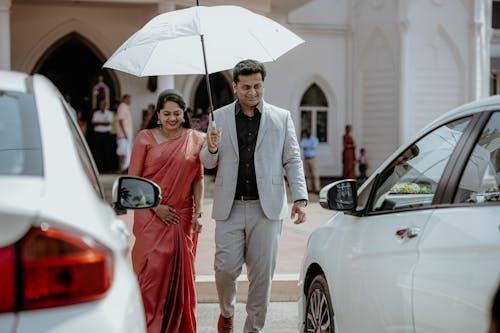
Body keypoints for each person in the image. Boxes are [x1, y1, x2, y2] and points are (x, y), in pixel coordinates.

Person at [200, 59, 308, 333]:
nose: (252, 92)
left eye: (257, 86)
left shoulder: (280, 117)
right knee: (224, 269)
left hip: (267, 208)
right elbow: (207, 163)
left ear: (263, 84)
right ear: (235, 86)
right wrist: (211, 147)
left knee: (262, 279)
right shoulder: (219, 117)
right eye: (245, 86)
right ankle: (227, 312)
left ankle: (254, 329)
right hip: (230, 207)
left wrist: (300, 197)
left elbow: (293, 158)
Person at [128, 89, 204, 333]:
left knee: (179, 277)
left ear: (184, 115)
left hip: (182, 216)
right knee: (151, 275)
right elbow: (133, 180)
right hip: (149, 213)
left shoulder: (196, 139)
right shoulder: (144, 138)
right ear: (158, 115)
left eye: (177, 113)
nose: (172, 118)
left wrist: (199, 213)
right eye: (167, 113)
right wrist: (155, 206)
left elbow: (198, 179)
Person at [90, 99, 114, 173]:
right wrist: (103, 122)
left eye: (103, 104)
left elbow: (108, 123)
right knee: (98, 152)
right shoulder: (96, 113)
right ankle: (98, 169)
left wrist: (99, 122)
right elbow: (93, 123)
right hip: (98, 134)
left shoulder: (109, 113)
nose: (102, 106)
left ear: (105, 105)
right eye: (100, 104)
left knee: (106, 151)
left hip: (106, 134)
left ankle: (107, 169)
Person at [116, 94, 134, 173]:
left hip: (127, 134)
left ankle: (125, 168)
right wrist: (125, 133)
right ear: (125, 99)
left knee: (127, 152)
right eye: (129, 99)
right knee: (122, 151)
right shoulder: (122, 107)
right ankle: (121, 168)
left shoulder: (126, 108)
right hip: (123, 135)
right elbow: (120, 120)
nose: (130, 101)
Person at [300, 129, 321, 193]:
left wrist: (307, 146)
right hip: (306, 158)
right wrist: (309, 146)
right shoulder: (304, 139)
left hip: (312, 158)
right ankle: (309, 188)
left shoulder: (314, 139)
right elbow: (302, 145)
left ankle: (317, 188)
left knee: (314, 173)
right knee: (307, 174)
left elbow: (314, 145)